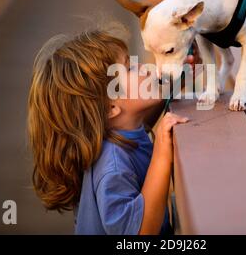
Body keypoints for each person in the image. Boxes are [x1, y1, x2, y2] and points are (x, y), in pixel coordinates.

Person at [27, 21, 199, 234]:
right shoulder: (113, 167)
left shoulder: (121, 132)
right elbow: (140, 232)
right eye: (129, 68)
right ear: (110, 108)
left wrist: (178, 79)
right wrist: (162, 154)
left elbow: (142, 124)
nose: (143, 67)